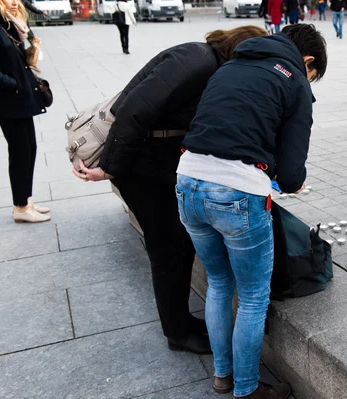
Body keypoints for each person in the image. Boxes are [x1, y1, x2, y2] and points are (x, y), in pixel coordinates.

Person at [72, 26, 268, 355]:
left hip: (154, 164)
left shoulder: (210, 65)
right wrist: (109, 168)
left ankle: (180, 323)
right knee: (167, 250)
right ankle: (177, 332)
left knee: (178, 245)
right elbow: (133, 110)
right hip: (138, 168)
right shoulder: (197, 60)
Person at [176, 24, 327, 398]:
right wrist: (287, 179)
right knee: (253, 295)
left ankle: (222, 376)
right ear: (307, 60)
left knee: (219, 283)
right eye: (314, 76)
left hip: (187, 182)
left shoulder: (228, 67)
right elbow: (291, 176)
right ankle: (246, 389)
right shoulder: (294, 81)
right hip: (236, 194)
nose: (310, 82)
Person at [0, 0, 51, 223]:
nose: (15, 2)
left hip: (21, 99)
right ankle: (20, 208)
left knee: (30, 149)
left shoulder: (9, 25)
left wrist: (29, 52)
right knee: (19, 153)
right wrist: (13, 84)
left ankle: (25, 199)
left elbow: (9, 59)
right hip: (9, 102)